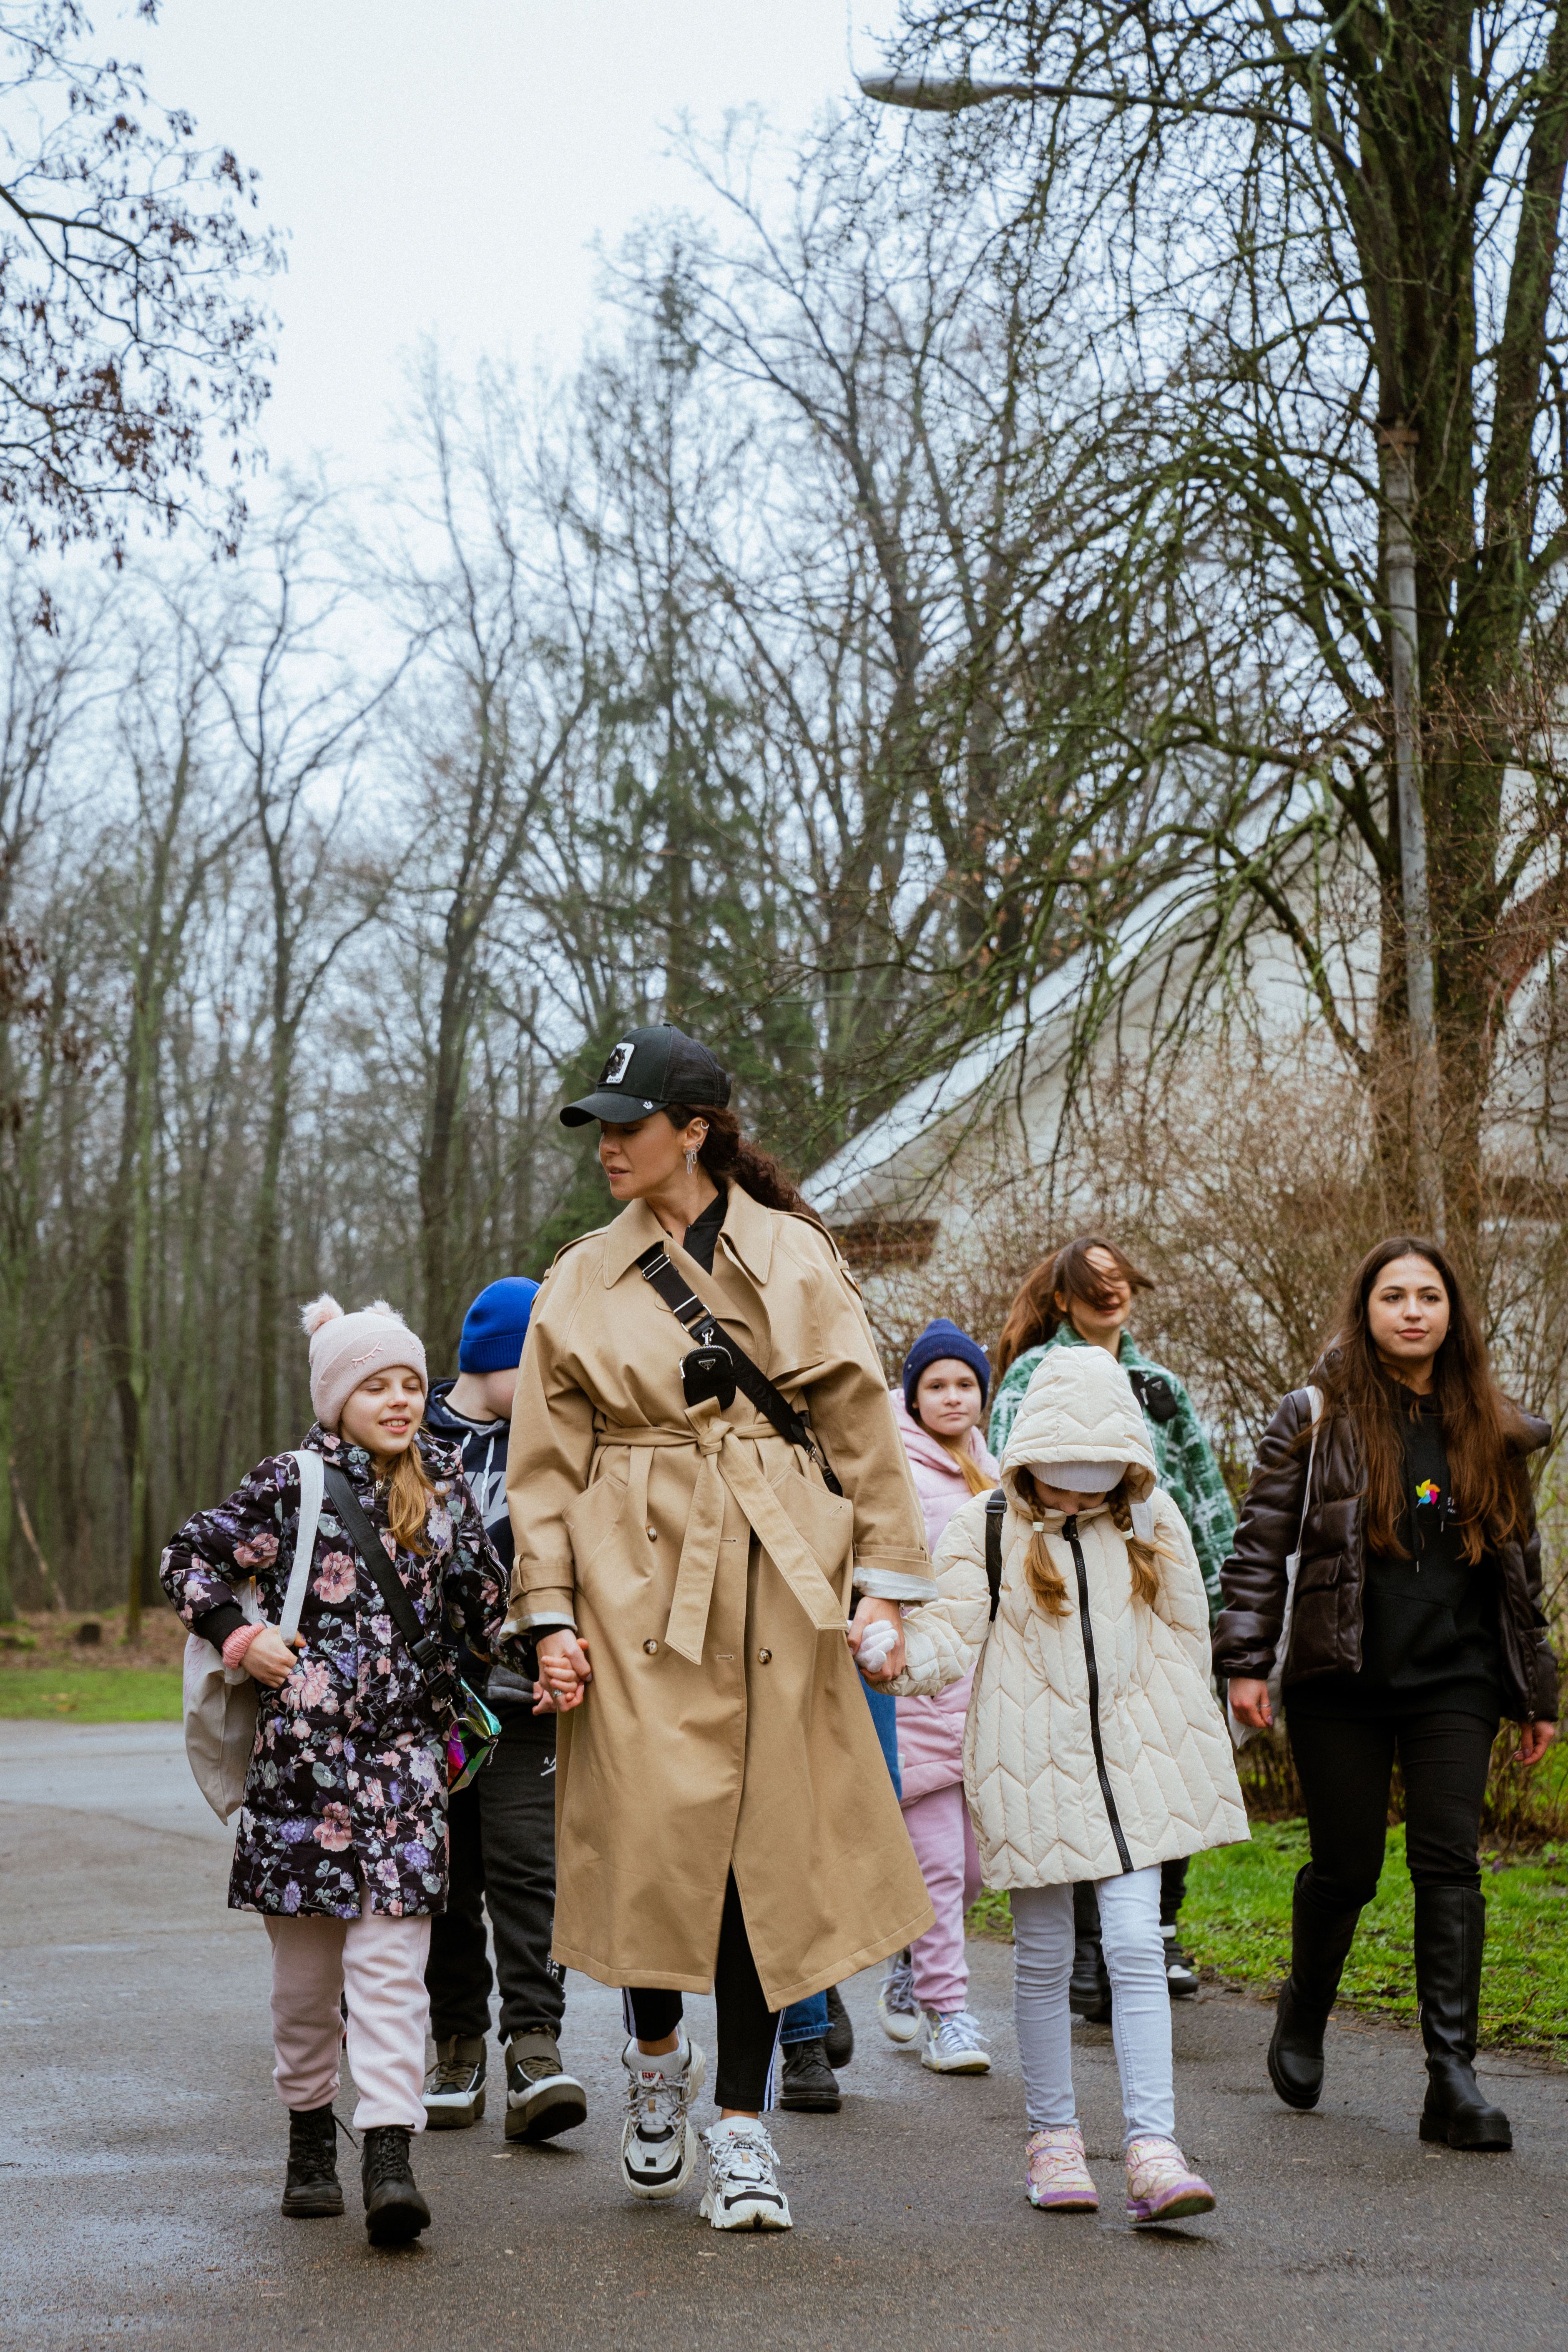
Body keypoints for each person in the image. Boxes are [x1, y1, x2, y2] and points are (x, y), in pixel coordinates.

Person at [503, 1023, 937, 2232]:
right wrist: (548, 1618)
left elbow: (861, 1427)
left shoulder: (793, 1255)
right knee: (651, 1839)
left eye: (627, 1126)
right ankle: (656, 2064)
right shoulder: (578, 1277)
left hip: (777, 1572)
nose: (607, 1148)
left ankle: (742, 2129)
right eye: (596, 1128)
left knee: (763, 1854)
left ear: (692, 1133)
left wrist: (886, 1588)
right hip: (634, 1585)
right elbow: (541, 1469)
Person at [161, 1297, 509, 2246]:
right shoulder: (292, 1483)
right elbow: (186, 1560)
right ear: (336, 1397)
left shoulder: (442, 1487)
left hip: (404, 1778)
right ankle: (312, 2133)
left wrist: (535, 1624)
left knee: (395, 1976)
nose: (399, 1399)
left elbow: (486, 1614)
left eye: (409, 1382)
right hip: (299, 1783)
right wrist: (242, 1637)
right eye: (375, 1384)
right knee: (305, 1990)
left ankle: (389, 2157)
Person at [1216, 1236, 1559, 2151]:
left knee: (1448, 1866)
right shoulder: (1314, 1415)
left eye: (1428, 1297)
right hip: (1343, 1677)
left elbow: (1518, 1566)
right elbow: (1258, 1546)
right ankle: (1303, 2007)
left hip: (1456, 1676)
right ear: (1364, 1312)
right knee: (1347, 1869)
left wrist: (1536, 1689)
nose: (1412, 1310)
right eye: (1392, 1296)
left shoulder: (1490, 1422)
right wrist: (1245, 1662)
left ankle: (1451, 2077)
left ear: (1451, 1314)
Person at [891, 1342, 1247, 2221]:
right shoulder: (983, 1528)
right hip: (1028, 1763)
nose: (1077, 1496)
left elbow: (1182, 1629)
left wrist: (1176, 1726)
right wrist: (894, 1658)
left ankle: (1153, 2150)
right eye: (1061, 1477)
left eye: (1095, 1478)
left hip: (1134, 1764)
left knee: (1133, 1946)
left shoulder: (1148, 1516)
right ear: (1027, 1458)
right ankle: (1052, 2140)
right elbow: (947, 1633)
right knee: (1046, 1955)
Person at [989, 1236, 1236, 2012]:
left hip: (1151, 1602)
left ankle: (1157, 1933)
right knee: (1086, 1764)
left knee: (1160, 1757)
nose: (1110, 1291)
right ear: (1061, 1298)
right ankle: (1093, 1950)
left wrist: (1231, 1608)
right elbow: (1008, 1482)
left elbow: (1201, 1494)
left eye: (1119, 1277)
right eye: (1091, 1282)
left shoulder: (1158, 1385)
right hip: (1063, 1601)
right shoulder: (1035, 1375)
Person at [420, 1277, 588, 2144]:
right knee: (448, 1883)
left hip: (528, 1702)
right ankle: (457, 2045)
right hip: (435, 1709)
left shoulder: (557, 1444)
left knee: (528, 1874)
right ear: (497, 1359)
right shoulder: (410, 1441)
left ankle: (535, 2044)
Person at [876, 1317, 998, 2073]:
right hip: (920, 1690)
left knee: (979, 1871)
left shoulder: (999, 1469)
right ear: (913, 1397)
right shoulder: (898, 1469)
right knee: (941, 1868)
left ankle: (908, 1957)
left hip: (985, 1698)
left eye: (966, 1385)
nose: (953, 1398)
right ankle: (950, 2014)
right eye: (937, 1386)